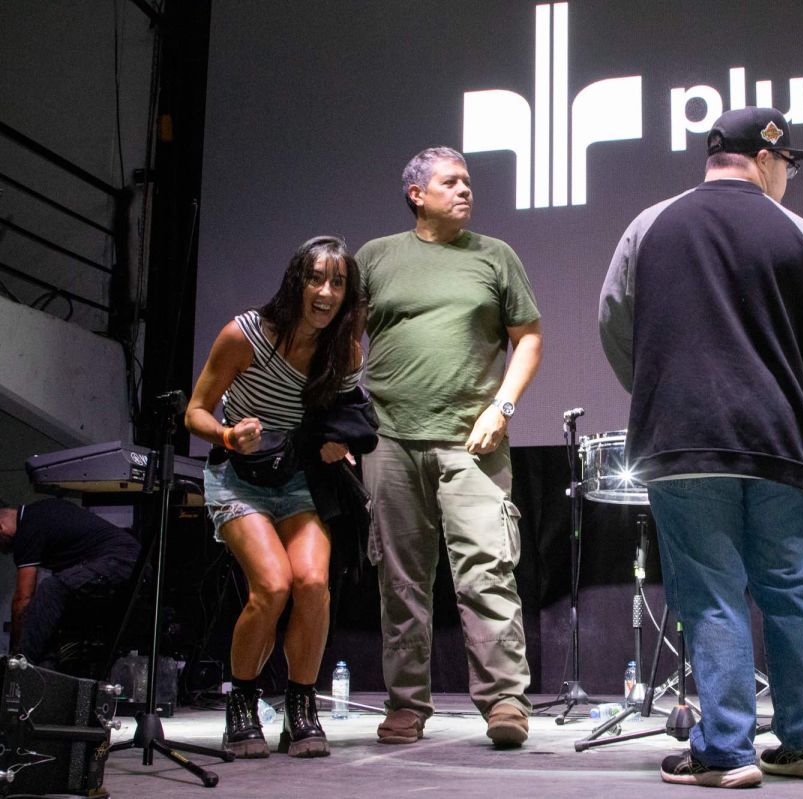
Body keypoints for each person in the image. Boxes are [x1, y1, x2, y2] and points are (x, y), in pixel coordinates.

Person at [599, 107, 803, 788]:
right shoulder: (797, 232)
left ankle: (726, 748)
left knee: (710, 592)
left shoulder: (649, 225)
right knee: (792, 587)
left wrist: (660, 387)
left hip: (685, 440)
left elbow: (615, 321)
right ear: (767, 157)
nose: (790, 178)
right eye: (790, 166)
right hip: (783, 440)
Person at [358, 146, 542, 748]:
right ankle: (406, 705)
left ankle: (505, 702)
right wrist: (342, 423)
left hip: (473, 439)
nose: (465, 190)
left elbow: (530, 339)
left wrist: (503, 406)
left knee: (487, 571)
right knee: (402, 580)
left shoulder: (494, 256)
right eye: (451, 182)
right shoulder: (377, 257)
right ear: (417, 193)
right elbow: (343, 343)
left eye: (468, 182)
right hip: (389, 438)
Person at [185, 235, 364, 759]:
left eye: (338, 282)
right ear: (297, 282)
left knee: (311, 582)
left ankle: (301, 707)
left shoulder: (343, 351)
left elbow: (341, 418)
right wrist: (226, 433)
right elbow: (196, 409)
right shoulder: (245, 335)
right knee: (273, 585)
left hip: (298, 478)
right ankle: (241, 702)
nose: (326, 292)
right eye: (316, 278)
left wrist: (338, 441)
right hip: (237, 475)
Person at [0, 498, 140, 667]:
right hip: (124, 561)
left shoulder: (27, 529)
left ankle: (21, 668)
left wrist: (15, 652)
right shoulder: (42, 512)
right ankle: (44, 673)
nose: (2, 551)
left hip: (121, 560)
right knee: (51, 611)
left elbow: (23, 599)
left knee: (51, 589)